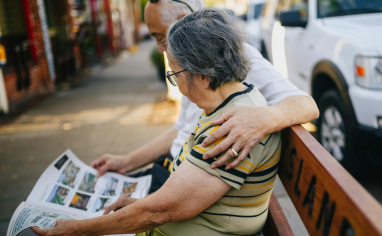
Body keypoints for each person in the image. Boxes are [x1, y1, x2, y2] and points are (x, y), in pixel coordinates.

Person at [32, 8, 284, 236]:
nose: (178, 87)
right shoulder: (230, 103)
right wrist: (137, 202)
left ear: (203, 75)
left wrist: (77, 229)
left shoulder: (232, 128)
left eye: (175, 75)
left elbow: (161, 211)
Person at [89, 0, 319, 188]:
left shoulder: (231, 55)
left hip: (187, 178)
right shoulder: (189, 65)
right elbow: (180, 130)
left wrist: (263, 119)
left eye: (160, 37)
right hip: (173, 168)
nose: (160, 48)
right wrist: (125, 162)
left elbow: (307, 105)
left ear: (182, 22)